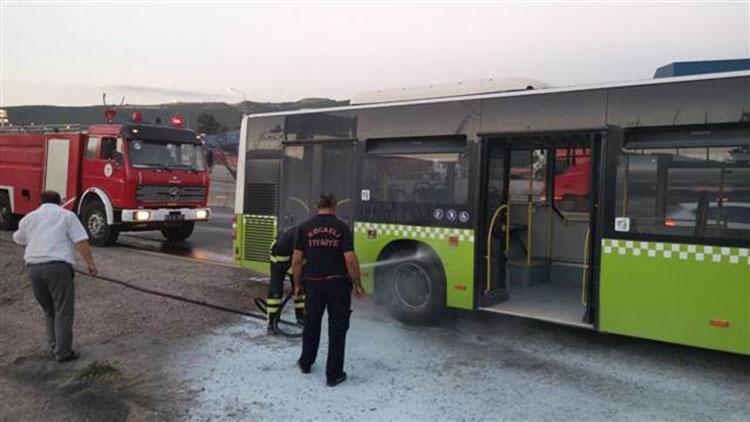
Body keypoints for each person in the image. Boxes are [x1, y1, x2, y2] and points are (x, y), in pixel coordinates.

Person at [12, 190, 98, 363]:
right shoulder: (67, 216)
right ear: (59, 202)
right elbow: (80, 241)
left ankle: (54, 347)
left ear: (40, 201)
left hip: (34, 268)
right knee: (63, 310)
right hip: (58, 267)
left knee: (49, 310)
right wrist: (90, 263)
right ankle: (63, 353)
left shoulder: (29, 217)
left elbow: (18, 238)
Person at [292, 194, 365, 387]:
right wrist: (358, 284)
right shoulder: (342, 228)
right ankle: (333, 375)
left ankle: (305, 363)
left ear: (317, 207)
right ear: (334, 206)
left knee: (311, 324)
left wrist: (297, 284)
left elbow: (297, 260)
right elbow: (350, 259)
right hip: (338, 286)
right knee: (337, 330)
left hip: (313, 285)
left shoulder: (304, 228)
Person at [266, 225, 305, 333]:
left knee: (300, 286)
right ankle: (272, 322)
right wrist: (297, 283)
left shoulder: (305, 232)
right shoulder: (302, 236)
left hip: (290, 253)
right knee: (276, 289)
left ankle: (301, 317)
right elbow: (298, 261)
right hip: (279, 254)